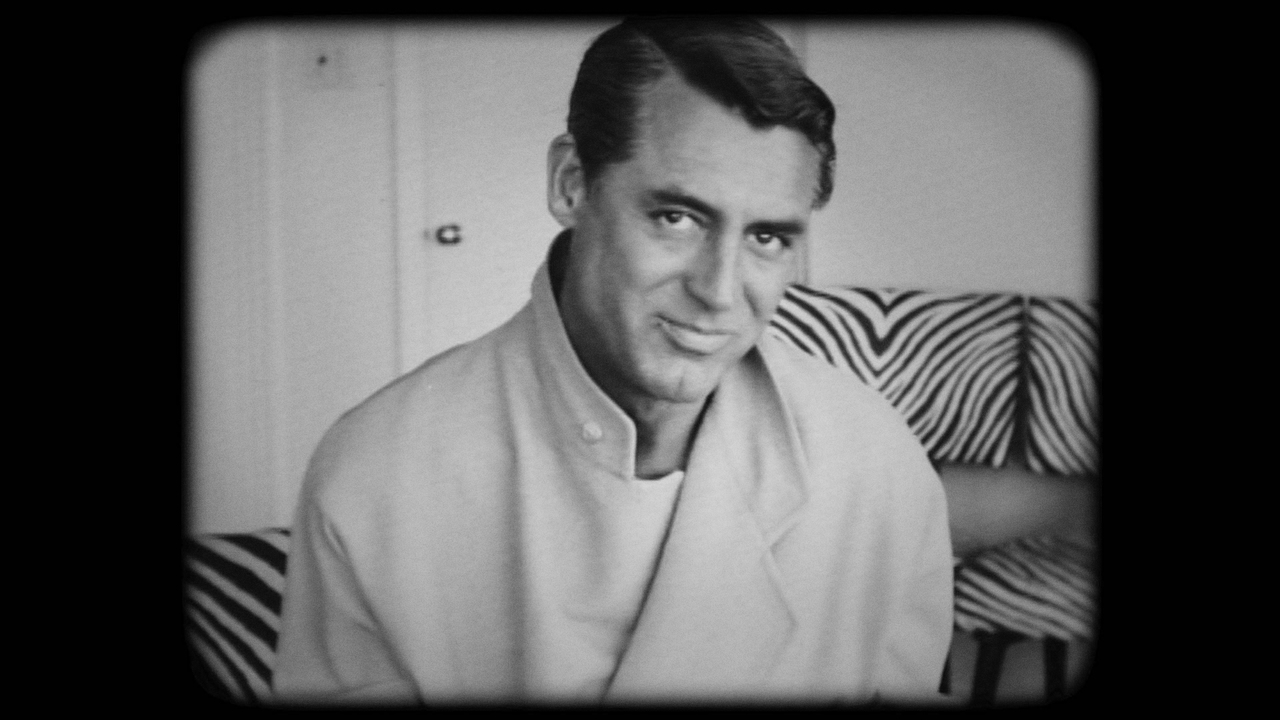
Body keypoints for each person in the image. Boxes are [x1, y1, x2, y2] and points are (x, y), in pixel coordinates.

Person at [273, 17, 953, 705]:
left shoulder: (875, 465)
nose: (719, 292)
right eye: (677, 218)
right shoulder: (374, 478)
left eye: (768, 238)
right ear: (572, 183)